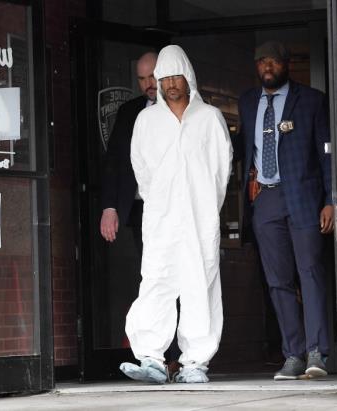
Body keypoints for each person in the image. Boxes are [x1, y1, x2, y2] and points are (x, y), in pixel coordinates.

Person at [119, 45, 233, 384]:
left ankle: (195, 362)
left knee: (200, 284)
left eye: (175, 76)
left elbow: (221, 170)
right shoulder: (146, 120)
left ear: (188, 78)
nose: (169, 83)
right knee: (156, 282)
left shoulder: (209, 118)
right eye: (163, 77)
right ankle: (151, 358)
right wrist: (159, 203)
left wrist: (207, 208)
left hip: (200, 218)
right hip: (161, 218)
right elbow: (141, 168)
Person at [235, 41, 333, 381]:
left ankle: (317, 352)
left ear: (286, 64)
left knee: (311, 273)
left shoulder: (311, 100)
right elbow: (242, 150)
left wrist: (331, 199)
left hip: (305, 197)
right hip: (266, 198)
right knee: (277, 281)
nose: (267, 66)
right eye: (261, 60)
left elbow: (327, 155)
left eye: (273, 61)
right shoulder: (247, 102)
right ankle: (292, 354)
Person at [100, 51, 157, 249]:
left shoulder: (182, 109)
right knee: (146, 270)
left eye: (152, 76)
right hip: (138, 204)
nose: (148, 84)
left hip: (174, 205)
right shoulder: (128, 111)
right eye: (141, 79)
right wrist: (109, 206)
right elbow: (113, 159)